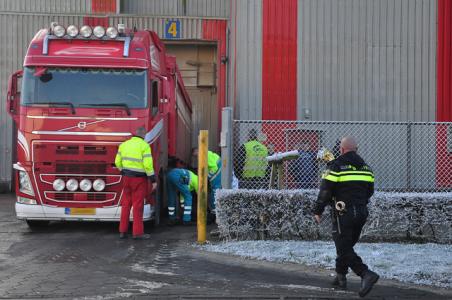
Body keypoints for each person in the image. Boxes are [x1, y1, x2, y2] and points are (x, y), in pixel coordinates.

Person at [313, 136, 379, 297]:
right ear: (357, 149)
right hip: (361, 213)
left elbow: (325, 191)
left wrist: (318, 210)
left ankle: (365, 274)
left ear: (341, 150)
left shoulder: (336, 166)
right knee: (346, 245)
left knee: (343, 246)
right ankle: (341, 276)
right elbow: (370, 191)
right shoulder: (367, 168)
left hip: (343, 213)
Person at [115, 126, 156, 240]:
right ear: (143, 135)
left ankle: (122, 232)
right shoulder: (144, 146)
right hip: (139, 180)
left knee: (126, 205)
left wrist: (123, 170)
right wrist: (153, 180)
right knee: (138, 206)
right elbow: (148, 165)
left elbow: (117, 162)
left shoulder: (124, 145)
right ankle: (137, 233)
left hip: (126, 178)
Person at [192, 148, 221, 215]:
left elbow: (214, 167)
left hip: (218, 169)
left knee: (215, 191)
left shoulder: (204, 155)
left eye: (195, 155)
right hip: (218, 167)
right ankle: (215, 210)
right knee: (214, 191)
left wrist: (207, 176)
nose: (196, 157)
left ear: (197, 151)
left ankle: (215, 212)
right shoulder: (205, 153)